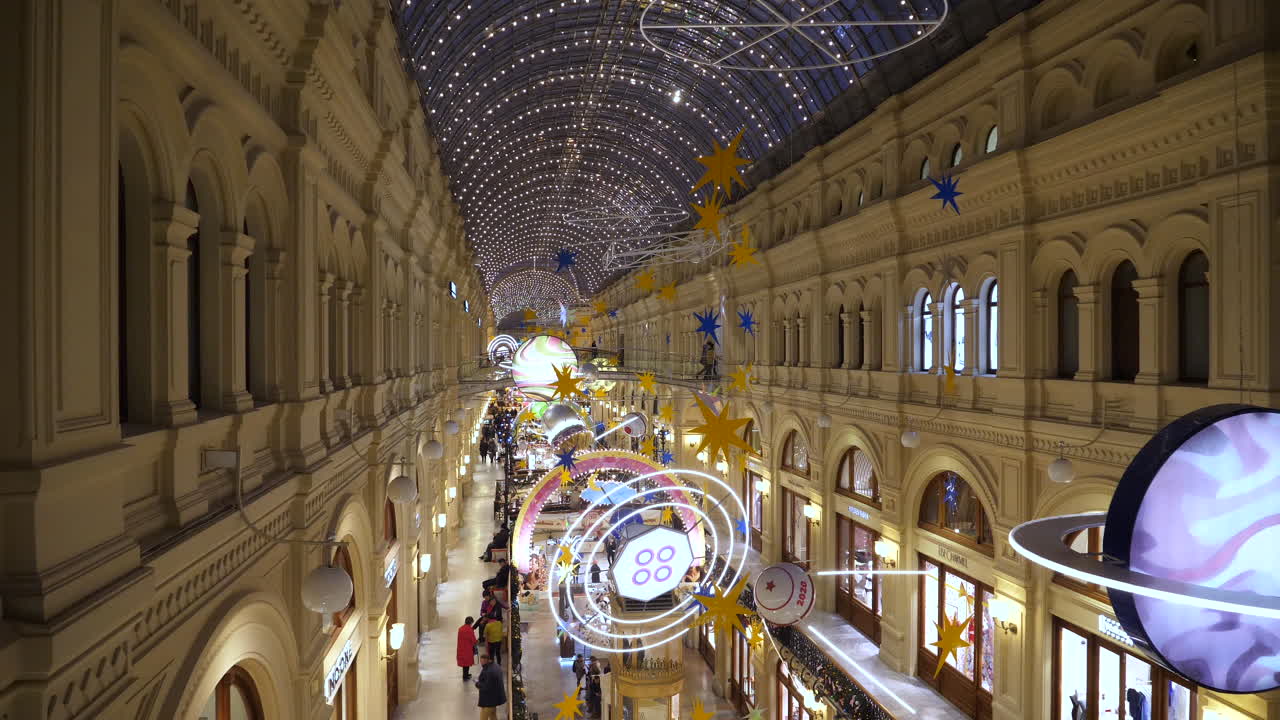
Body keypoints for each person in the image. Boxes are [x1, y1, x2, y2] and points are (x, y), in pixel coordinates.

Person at [475, 652, 506, 720]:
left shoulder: (489, 671)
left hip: (489, 700)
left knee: (483, 717)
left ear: (486, 660)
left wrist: (477, 683)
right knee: (493, 715)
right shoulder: (495, 666)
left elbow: (486, 686)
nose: (481, 663)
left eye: (482, 662)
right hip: (494, 698)